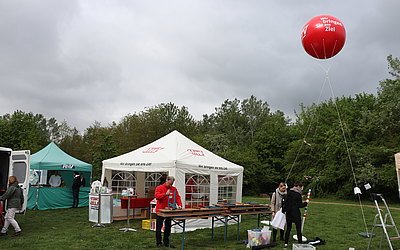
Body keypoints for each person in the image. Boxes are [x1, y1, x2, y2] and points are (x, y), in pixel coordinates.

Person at [154, 176, 182, 248]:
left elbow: (177, 197)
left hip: (169, 211)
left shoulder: (174, 189)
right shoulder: (159, 188)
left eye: (172, 183)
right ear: (167, 180)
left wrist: (179, 205)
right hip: (160, 211)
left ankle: (166, 242)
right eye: (170, 183)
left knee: (168, 227)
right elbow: (157, 196)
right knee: (159, 227)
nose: (171, 185)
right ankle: (158, 242)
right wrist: (165, 194)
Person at [283, 181, 309, 248]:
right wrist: (306, 203)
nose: (301, 188)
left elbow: (285, 201)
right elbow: (300, 205)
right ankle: (300, 243)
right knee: (298, 229)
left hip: (288, 213)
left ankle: (286, 243)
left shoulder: (289, 192)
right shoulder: (298, 194)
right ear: (298, 187)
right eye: (301, 187)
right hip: (295, 214)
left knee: (288, 228)